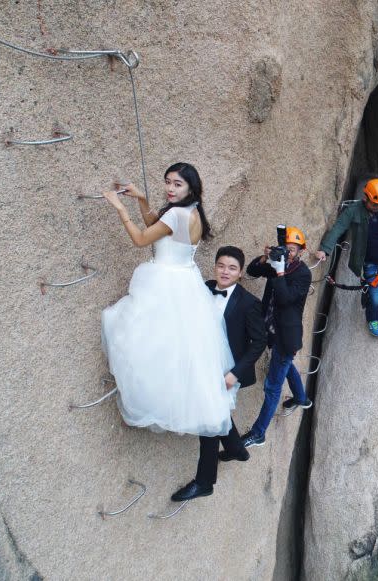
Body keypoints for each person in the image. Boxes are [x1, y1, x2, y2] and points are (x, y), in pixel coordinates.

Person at [101, 162, 237, 436]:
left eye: (177, 184)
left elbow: (141, 239)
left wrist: (119, 208)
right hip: (185, 283)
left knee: (142, 338)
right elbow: (158, 227)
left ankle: (149, 396)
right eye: (168, 182)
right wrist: (141, 198)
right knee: (180, 350)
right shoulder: (192, 210)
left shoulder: (176, 214)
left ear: (190, 187)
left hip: (166, 283)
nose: (170, 188)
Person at [171, 246, 268, 502]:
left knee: (210, 419)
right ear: (214, 266)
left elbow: (258, 343)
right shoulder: (204, 287)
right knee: (217, 412)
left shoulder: (249, 303)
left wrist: (235, 374)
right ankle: (237, 449)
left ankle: (204, 482)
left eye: (232, 268)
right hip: (201, 364)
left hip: (227, 371)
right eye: (221, 266)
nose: (225, 272)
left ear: (239, 273)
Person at [241, 227, 313, 448]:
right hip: (270, 329)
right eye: (286, 249)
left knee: (272, 387)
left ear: (301, 251)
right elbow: (252, 271)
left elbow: (285, 298)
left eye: (293, 250)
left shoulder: (303, 274)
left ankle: (259, 432)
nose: (289, 253)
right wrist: (265, 257)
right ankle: (302, 399)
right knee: (284, 364)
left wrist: (280, 271)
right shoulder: (276, 263)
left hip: (286, 336)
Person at [315, 178, 378, 340]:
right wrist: (325, 249)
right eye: (374, 204)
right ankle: (372, 319)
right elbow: (339, 227)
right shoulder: (354, 210)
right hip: (371, 264)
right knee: (376, 296)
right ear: (365, 197)